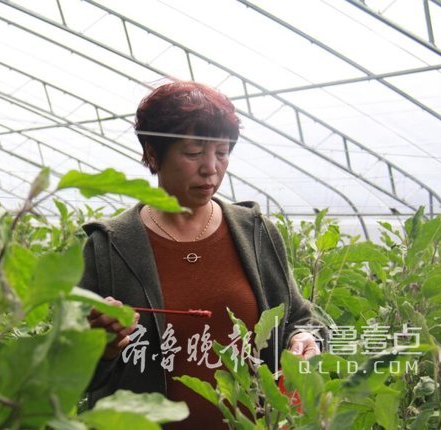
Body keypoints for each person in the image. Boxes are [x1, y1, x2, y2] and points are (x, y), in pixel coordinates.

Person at [80, 81, 321, 429]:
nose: (211, 168)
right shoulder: (108, 247)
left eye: (222, 152)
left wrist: (304, 338)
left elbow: (299, 319)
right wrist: (99, 346)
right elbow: (70, 367)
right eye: (194, 153)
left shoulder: (255, 233)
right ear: (152, 153)